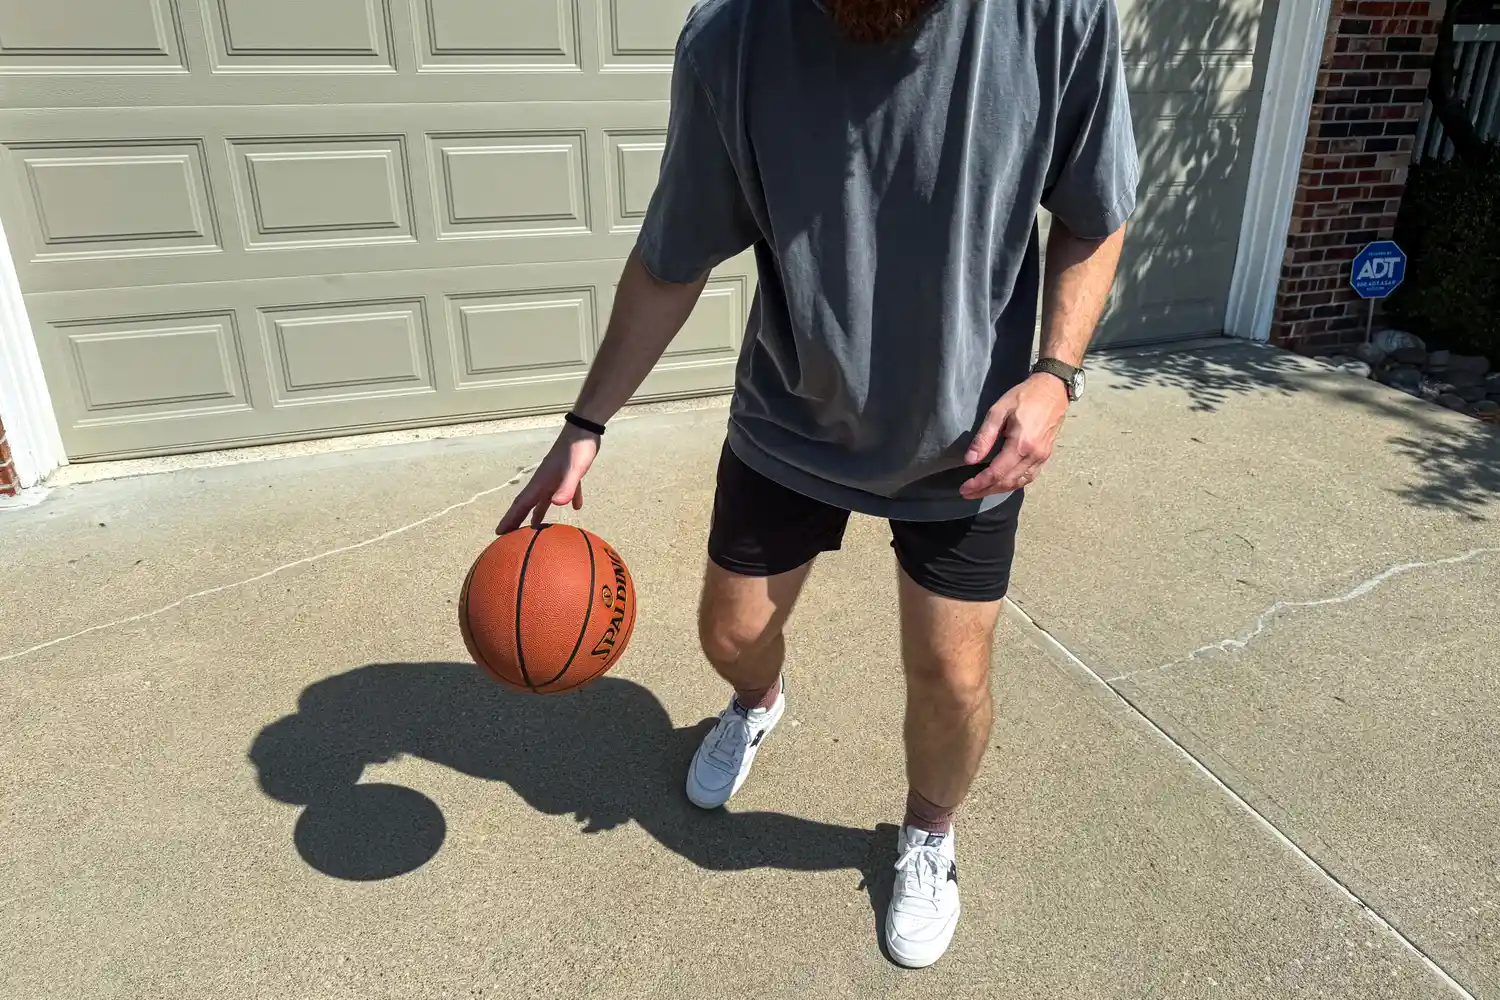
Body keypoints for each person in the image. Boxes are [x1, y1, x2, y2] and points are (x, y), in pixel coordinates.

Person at [497, 0, 1136, 968]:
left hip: (967, 434)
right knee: (730, 632)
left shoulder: (1055, 19)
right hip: (794, 410)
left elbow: (1096, 214)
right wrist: (586, 425)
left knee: (951, 677)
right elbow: (670, 258)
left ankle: (927, 831)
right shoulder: (733, 41)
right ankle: (758, 704)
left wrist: (1056, 374)